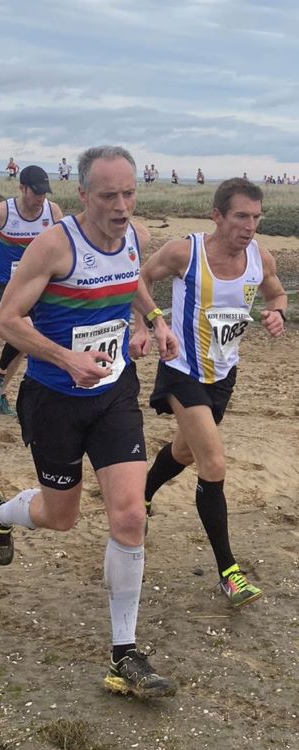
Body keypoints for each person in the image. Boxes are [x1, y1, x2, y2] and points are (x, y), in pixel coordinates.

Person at [0, 146, 179, 699]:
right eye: (109, 195)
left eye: (129, 193)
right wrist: (65, 357)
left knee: (130, 515)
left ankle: (124, 654)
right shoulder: (54, 245)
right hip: (53, 400)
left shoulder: (134, 236)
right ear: (83, 196)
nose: (121, 206)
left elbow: (133, 281)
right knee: (60, 517)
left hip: (114, 393)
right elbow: (6, 320)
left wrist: (154, 321)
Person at [140, 177, 287, 608]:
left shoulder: (260, 257)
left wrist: (277, 313)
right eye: (241, 216)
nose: (249, 226)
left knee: (185, 453)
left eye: (256, 218)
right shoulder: (185, 252)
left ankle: (143, 495)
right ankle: (229, 574)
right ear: (217, 215)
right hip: (182, 369)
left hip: (223, 376)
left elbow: (276, 294)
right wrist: (151, 323)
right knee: (213, 461)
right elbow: (139, 281)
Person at [0, 165, 62, 416]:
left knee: (26, 338)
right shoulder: (2, 212)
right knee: (24, 328)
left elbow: (65, 243)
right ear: (22, 188)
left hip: (38, 286)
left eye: (44, 192)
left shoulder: (52, 212)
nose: (41, 198)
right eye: (36, 192)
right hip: (3, 283)